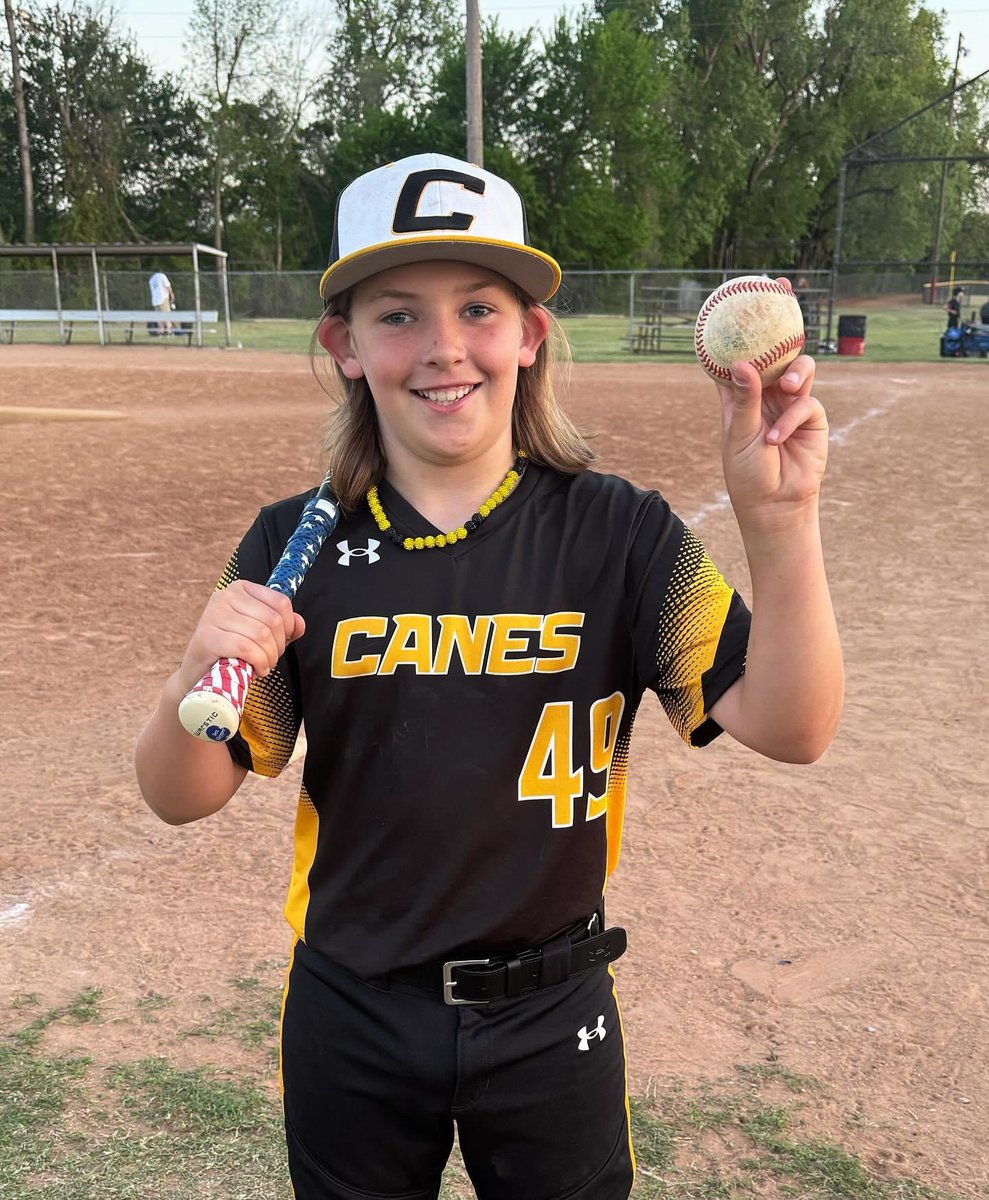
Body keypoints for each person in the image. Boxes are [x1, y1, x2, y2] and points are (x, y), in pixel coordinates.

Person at [135, 153, 843, 1200]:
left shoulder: (618, 532)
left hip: (552, 1007)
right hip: (352, 1007)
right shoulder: (297, 544)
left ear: (528, 333)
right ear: (341, 344)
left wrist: (779, 522)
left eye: (477, 308)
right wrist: (195, 670)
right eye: (396, 315)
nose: (443, 349)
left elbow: (791, 726)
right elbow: (178, 794)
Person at [148, 268, 175, 334]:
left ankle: (161, 332)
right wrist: (171, 294)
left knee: (159, 318)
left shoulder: (151, 279)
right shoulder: (162, 276)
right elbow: (167, 286)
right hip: (163, 299)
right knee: (167, 316)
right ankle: (169, 332)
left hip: (155, 301)